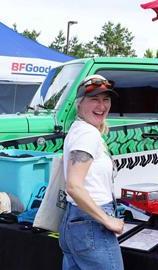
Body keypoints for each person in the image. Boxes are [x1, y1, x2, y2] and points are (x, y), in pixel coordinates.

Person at [59, 74, 124, 270]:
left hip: (77, 221)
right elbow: (74, 186)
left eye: (106, 99)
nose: (102, 106)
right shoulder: (87, 133)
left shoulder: (80, 129)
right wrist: (107, 219)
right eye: (94, 99)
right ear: (79, 104)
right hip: (91, 223)